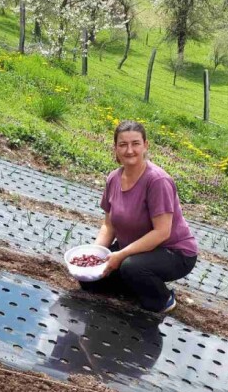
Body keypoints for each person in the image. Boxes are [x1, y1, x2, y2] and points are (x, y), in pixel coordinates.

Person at [80, 120, 198, 313]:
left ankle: (163, 299)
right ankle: (137, 286)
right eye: (123, 144)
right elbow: (108, 226)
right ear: (115, 148)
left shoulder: (157, 181)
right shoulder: (113, 178)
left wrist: (121, 255)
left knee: (131, 268)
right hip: (135, 247)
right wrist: (96, 254)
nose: (129, 150)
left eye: (135, 143)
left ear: (145, 146)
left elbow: (161, 233)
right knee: (89, 280)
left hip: (172, 252)